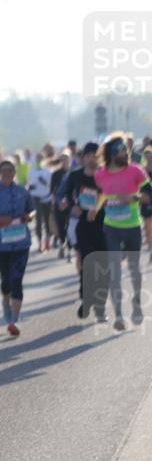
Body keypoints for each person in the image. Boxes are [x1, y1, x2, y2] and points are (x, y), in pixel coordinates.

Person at [93, 132, 152, 329]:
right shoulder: (100, 174)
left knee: (134, 268)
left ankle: (137, 304)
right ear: (111, 154)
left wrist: (133, 198)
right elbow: (103, 194)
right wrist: (96, 208)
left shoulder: (136, 171)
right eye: (121, 151)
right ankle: (118, 315)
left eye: (127, 150)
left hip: (132, 226)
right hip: (112, 227)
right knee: (115, 271)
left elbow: (148, 195)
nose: (126, 154)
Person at [0, 160, 35, 337]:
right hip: (0, 244)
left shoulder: (22, 192)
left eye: (11, 171)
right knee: (6, 280)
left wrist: (29, 216)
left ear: (15, 173)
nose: (8, 174)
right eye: (4, 171)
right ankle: (5, 300)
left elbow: (32, 210)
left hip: (21, 243)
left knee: (17, 279)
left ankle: (14, 320)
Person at [61, 142, 110, 322]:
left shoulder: (105, 175)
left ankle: (100, 306)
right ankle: (86, 298)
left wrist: (97, 208)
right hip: (83, 224)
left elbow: (111, 194)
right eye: (88, 155)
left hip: (104, 224)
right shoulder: (75, 176)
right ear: (83, 158)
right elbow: (65, 194)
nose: (91, 158)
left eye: (94, 155)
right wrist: (72, 206)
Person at [26, 153, 54, 252]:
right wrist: (30, 187)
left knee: (47, 221)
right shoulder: (31, 171)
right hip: (35, 197)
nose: (38, 160)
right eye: (37, 158)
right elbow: (28, 183)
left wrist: (44, 182)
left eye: (40, 158)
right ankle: (39, 243)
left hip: (46, 198)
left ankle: (47, 241)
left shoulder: (48, 172)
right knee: (38, 221)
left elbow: (51, 185)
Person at [49, 153, 73, 260]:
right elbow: (53, 190)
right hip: (59, 204)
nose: (65, 162)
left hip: (71, 204)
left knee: (70, 227)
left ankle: (69, 249)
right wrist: (59, 202)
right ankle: (62, 245)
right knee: (61, 227)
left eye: (67, 160)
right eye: (63, 160)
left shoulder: (73, 173)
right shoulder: (55, 174)